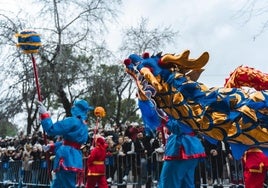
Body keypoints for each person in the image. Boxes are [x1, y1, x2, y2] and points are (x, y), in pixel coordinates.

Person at [37, 99, 93, 188]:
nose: (73, 107)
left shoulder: (73, 121)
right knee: (59, 184)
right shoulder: (84, 125)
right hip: (74, 157)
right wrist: (52, 146)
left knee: (65, 184)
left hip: (66, 158)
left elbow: (51, 129)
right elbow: (70, 143)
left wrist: (45, 115)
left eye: (75, 106)